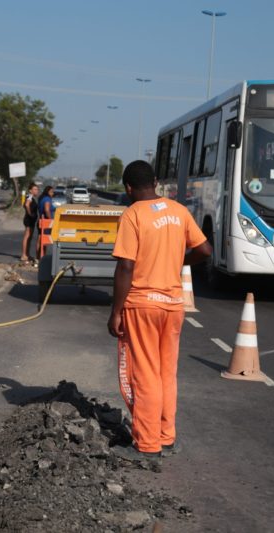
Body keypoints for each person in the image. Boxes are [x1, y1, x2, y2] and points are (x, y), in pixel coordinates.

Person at [107, 160, 212, 462]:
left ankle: (147, 444)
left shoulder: (132, 215)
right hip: (173, 306)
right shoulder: (179, 211)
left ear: (128, 188)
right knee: (167, 373)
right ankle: (166, 437)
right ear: (155, 181)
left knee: (145, 375)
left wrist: (116, 312)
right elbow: (204, 251)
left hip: (143, 305)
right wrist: (177, 261)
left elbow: (126, 266)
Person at [20, 183, 39, 265]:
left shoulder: (32, 197)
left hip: (31, 220)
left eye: (37, 189)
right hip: (29, 219)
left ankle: (27, 254)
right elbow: (27, 205)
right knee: (27, 237)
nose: (36, 191)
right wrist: (30, 214)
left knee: (29, 238)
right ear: (30, 190)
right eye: (35, 189)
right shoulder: (30, 196)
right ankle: (24, 255)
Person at [37, 185, 55, 258]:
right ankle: (41, 256)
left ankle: (39, 257)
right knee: (43, 240)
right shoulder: (47, 199)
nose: (52, 193)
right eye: (51, 192)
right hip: (46, 222)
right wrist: (51, 219)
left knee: (40, 239)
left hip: (41, 220)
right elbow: (47, 210)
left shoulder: (42, 198)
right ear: (47, 192)